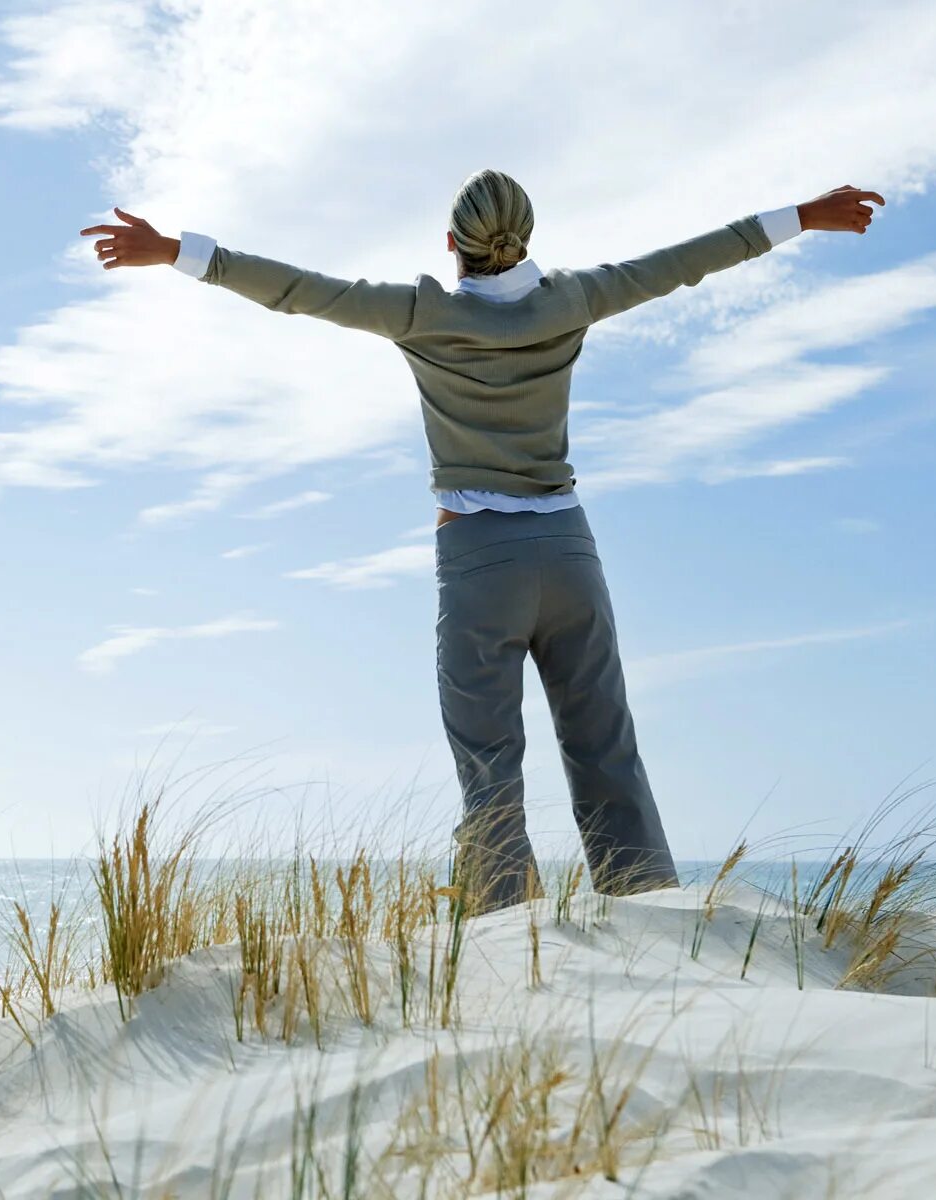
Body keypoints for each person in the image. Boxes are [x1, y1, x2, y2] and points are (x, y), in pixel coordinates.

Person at [80, 171, 885, 915]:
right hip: (571, 554)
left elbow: (297, 291)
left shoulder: (424, 315)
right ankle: (650, 912)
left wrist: (175, 252)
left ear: (452, 243)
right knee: (607, 748)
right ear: (528, 238)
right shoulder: (575, 301)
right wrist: (807, 217)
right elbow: (688, 259)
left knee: (491, 770)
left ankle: (504, 931)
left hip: (479, 565)